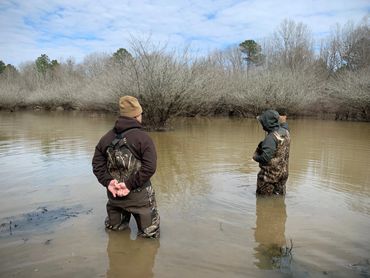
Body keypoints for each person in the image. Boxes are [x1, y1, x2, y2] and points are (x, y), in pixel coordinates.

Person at [92, 96, 160, 238]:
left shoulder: (106, 138)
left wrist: (108, 182)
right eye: (141, 114)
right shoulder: (143, 138)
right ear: (137, 115)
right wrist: (129, 185)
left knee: (115, 236)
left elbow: (97, 164)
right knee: (149, 239)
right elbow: (149, 167)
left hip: (114, 196)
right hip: (140, 199)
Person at [252, 110, 290, 195]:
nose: (261, 124)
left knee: (263, 204)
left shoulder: (270, 138)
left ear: (266, 123)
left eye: (262, 122)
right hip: (282, 175)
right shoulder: (286, 132)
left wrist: (255, 157)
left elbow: (265, 158)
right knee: (279, 203)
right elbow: (284, 125)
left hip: (269, 177)